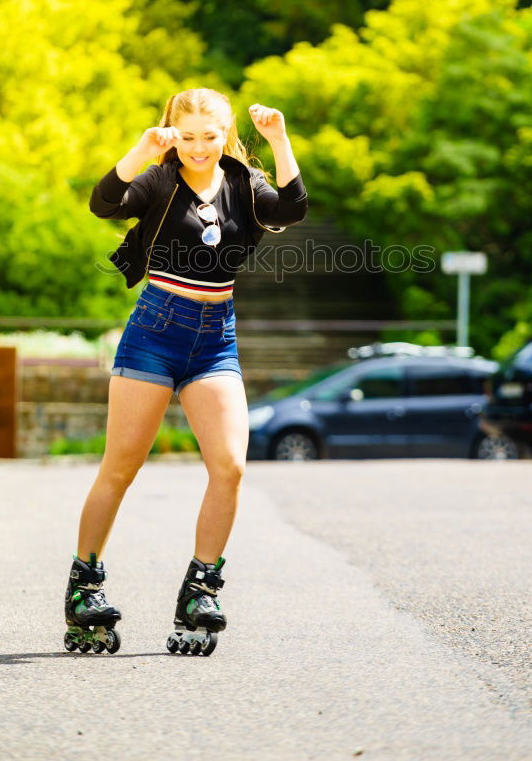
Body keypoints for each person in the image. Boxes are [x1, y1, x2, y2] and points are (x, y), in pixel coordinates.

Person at [63, 87, 308, 654]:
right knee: (121, 467)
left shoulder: (245, 184)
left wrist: (279, 141)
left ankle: (202, 586)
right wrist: (142, 150)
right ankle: (84, 585)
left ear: (226, 136)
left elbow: (292, 208)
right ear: (173, 132)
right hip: (154, 329)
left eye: (210, 136)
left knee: (230, 467)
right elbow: (105, 202)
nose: (199, 147)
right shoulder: (158, 178)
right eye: (188, 136)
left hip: (215, 338)